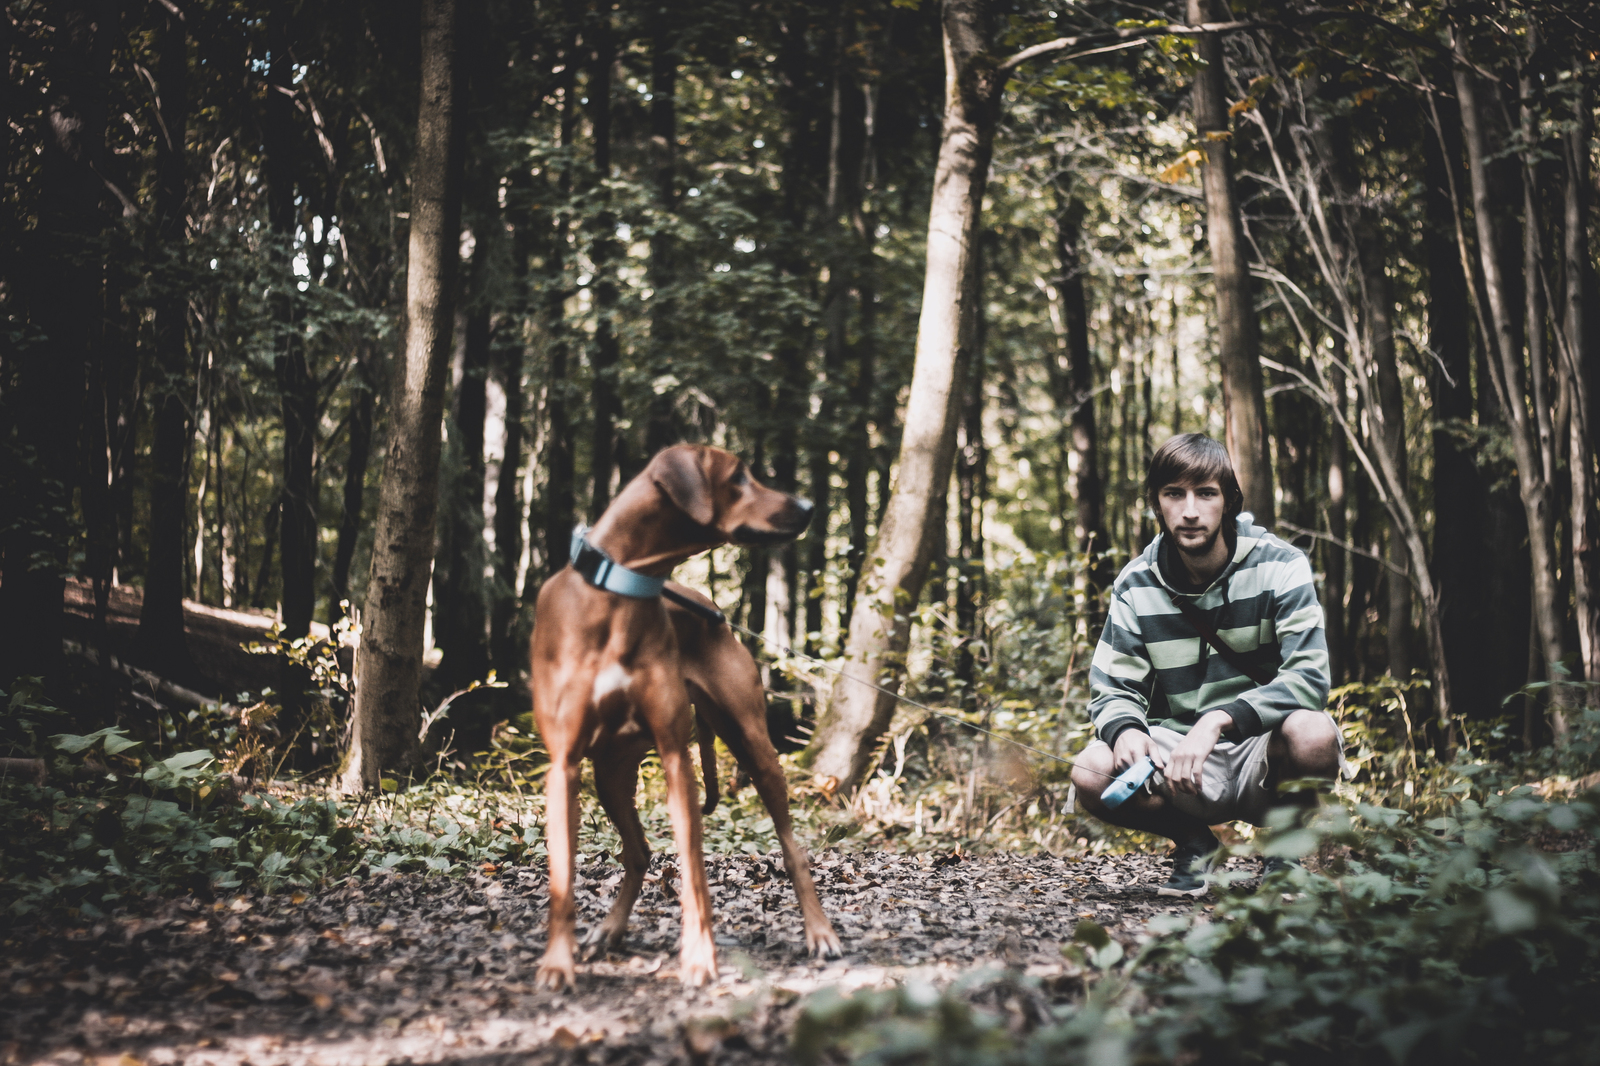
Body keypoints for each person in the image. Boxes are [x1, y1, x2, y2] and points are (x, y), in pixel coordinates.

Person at [1071, 433, 1341, 897]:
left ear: (1229, 501)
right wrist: (1128, 731)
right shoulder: (1136, 584)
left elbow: (1310, 676)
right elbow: (1113, 689)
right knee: (1090, 768)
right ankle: (1196, 847)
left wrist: (1219, 719)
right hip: (1178, 761)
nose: (1190, 510)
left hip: (1264, 748)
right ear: (1157, 503)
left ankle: (1284, 853)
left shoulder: (1281, 564)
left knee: (1313, 733)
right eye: (1174, 493)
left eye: (1206, 493)